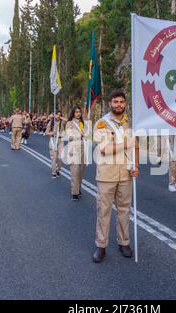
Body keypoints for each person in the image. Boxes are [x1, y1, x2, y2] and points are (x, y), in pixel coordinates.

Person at [92, 89, 139, 263]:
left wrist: (136, 166)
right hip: (107, 174)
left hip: (126, 173)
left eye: (121, 102)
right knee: (103, 211)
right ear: (110, 103)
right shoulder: (101, 124)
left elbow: (136, 147)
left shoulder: (130, 123)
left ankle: (124, 242)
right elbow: (104, 149)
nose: (118, 105)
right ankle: (101, 245)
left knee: (125, 210)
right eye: (115, 102)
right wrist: (127, 143)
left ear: (125, 104)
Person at [65, 106, 89, 201]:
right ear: (73, 113)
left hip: (83, 147)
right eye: (76, 112)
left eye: (79, 112)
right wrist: (79, 134)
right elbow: (69, 136)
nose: (78, 113)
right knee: (75, 171)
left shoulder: (82, 123)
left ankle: (78, 188)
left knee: (81, 171)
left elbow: (87, 135)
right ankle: (74, 192)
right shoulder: (69, 123)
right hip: (73, 147)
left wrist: (87, 132)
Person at [45, 111, 66, 178]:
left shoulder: (62, 122)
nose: (58, 116)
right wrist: (51, 133)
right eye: (57, 114)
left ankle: (58, 170)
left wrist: (60, 117)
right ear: (54, 115)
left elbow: (68, 120)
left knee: (60, 157)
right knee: (54, 158)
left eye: (60, 115)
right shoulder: (51, 123)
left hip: (60, 140)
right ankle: (54, 172)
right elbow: (46, 133)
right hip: (53, 140)